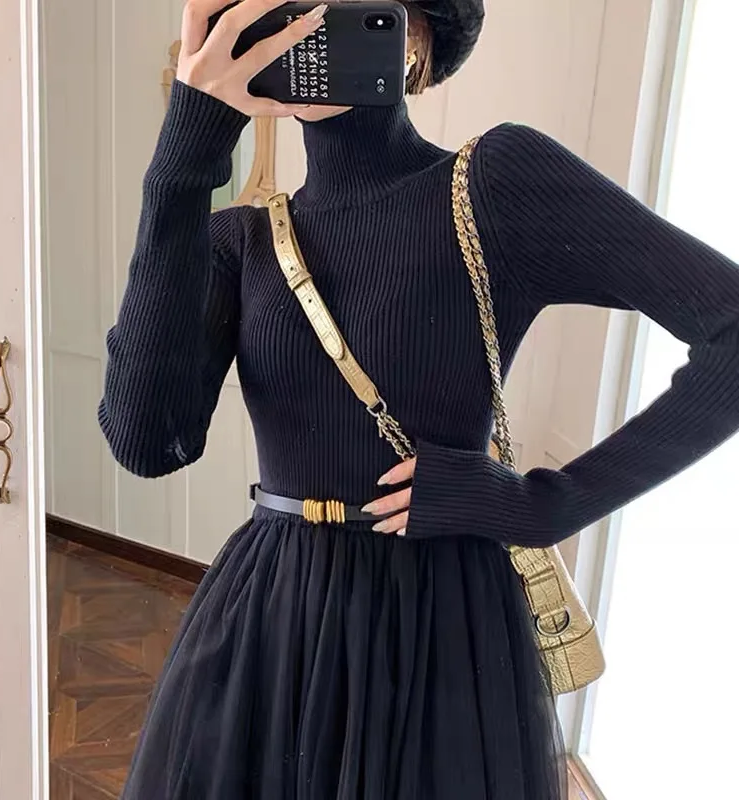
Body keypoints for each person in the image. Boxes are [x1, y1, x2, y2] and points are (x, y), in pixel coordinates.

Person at [98, 0, 739, 796]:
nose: (307, 22)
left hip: (442, 628)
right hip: (270, 625)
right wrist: (184, 157)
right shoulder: (244, 240)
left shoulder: (494, 184)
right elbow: (146, 442)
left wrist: (546, 506)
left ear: (416, 37)